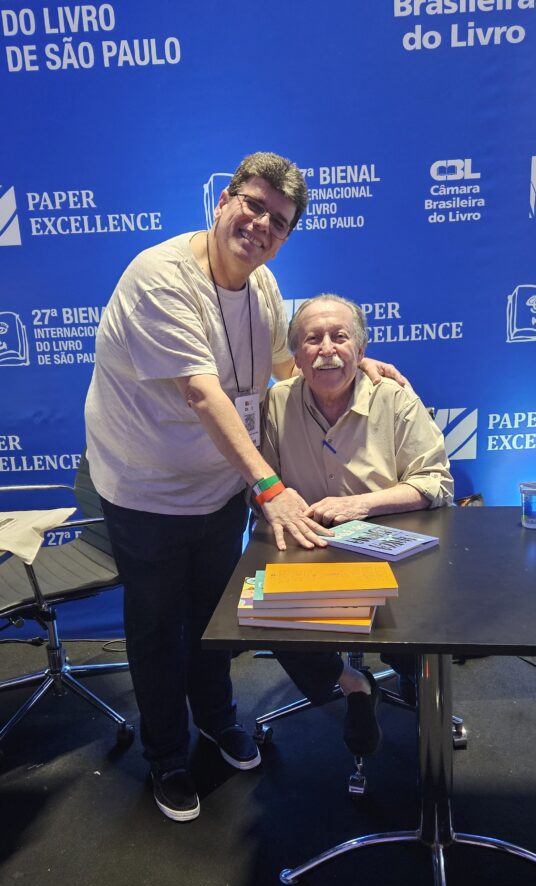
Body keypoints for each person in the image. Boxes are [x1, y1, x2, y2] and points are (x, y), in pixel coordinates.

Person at [84, 153, 405, 822]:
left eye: (277, 221)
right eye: (253, 205)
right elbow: (203, 393)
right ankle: (166, 756)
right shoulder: (159, 277)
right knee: (157, 628)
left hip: (220, 483)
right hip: (146, 490)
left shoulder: (261, 284)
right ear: (223, 200)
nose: (260, 225)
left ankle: (218, 721)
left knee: (214, 617)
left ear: (284, 238)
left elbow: (283, 364)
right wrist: (270, 487)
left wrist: (345, 364)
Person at [259, 293, 454, 757]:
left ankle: (411, 675)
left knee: (418, 617)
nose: (326, 349)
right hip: (311, 547)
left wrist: (359, 505)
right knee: (264, 611)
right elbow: (259, 481)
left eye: (339, 337)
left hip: (389, 542)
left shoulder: (394, 397)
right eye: (313, 339)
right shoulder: (276, 402)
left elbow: (436, 481)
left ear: (361, 349)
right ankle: (350, 682)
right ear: (296, 356)